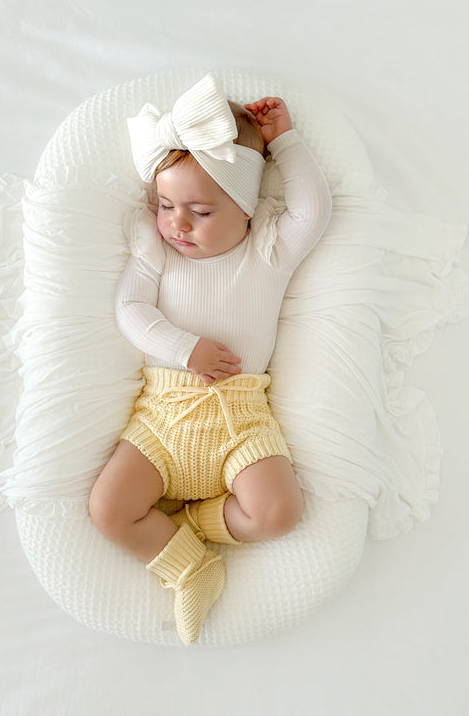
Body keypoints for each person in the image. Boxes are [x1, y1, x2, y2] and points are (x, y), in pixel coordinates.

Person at [88, 73, 331, 644]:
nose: (177, 223)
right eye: (166, 205)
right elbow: (129, 308)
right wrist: (182, 347)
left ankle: (194, 523)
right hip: (163, 418)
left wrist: (286, 142)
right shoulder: (156, 251)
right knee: (108, 509)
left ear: (246, 209)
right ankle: (192, 566)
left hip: (240, 421)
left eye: (200, 211)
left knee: (279, 514)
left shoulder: (270, 248)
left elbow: (314, 210)